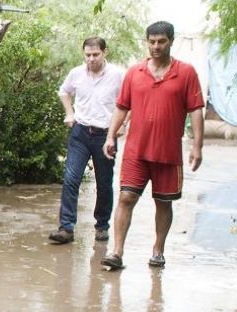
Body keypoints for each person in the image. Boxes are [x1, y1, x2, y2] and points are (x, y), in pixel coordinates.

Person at [101, 21, 204, 270]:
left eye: (161, 41)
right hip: (136, 151)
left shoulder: (186, 73)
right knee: (126, 197)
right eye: (152, 41)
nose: (156, 46)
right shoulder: (134, 72)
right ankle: (117, 252)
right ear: (147, 42)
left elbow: (196, 110)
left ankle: (158, 251)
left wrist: (197, 146)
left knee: (164, 202)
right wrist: (110, 136)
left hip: (168, 153)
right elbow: (122, 107)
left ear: (171, 41)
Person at [48, 37, 124, 245]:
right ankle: (66, 228)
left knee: (104, 183)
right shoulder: (76, 73)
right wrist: (69, 113)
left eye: (95, 54)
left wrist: (123, 124)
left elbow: (129, 101)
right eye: (88, 55)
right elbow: (64, 92)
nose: (91, 59)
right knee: (71, 179)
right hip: (80, 132)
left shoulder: (117, 75)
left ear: (105, 52)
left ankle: (102, 226)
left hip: (105, 135)